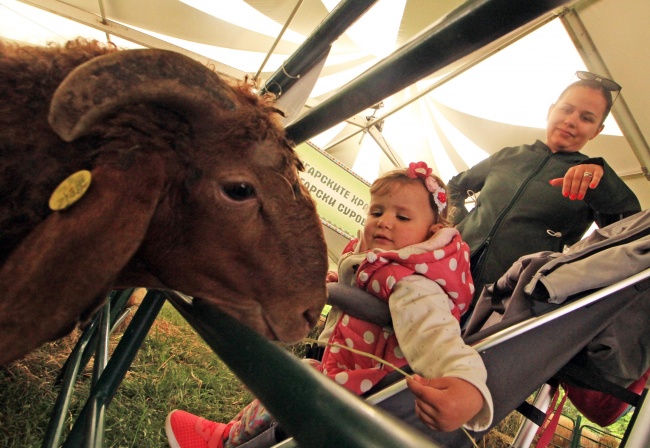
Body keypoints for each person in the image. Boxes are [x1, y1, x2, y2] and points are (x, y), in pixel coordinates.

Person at [165, 162, 493, 448]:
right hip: (350, 374)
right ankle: (233, 435)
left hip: (372, 397)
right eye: (376, 211)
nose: (384, 222)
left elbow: (436, 337)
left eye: (402, 216)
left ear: (432, 231)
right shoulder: (386, 267)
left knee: (299, 383)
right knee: (306, 376)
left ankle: (225, 441)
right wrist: (344, 282)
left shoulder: (416, 286)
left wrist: (467, 388)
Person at [447, 71, 641, 303]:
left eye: (587, 118)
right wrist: (461, 224)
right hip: (448, 270)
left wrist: (604, 178)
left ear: (597, 131)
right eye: (566, 109)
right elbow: (453, 187)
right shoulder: (509, 156)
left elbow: (630, 233)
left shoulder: (592, 178)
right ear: (551, 111)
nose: (571, 121)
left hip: (508, 297)